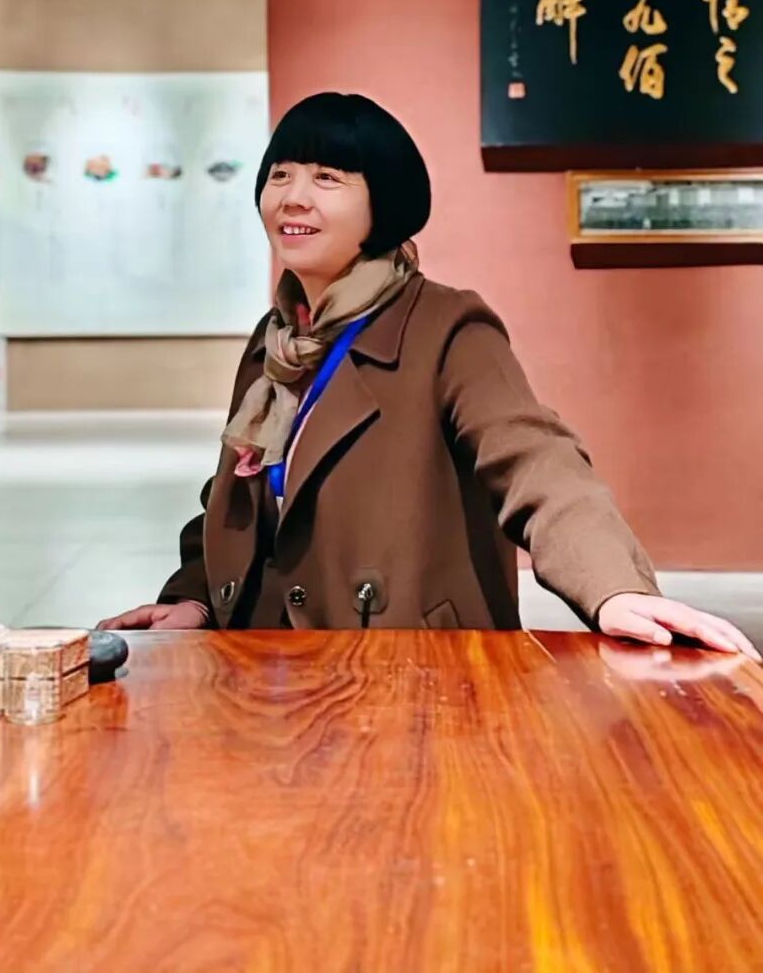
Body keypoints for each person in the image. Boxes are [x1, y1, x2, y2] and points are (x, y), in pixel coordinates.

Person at [100, 92, 760, 660]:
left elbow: (536, 461)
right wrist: (194, 597)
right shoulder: (274, 342)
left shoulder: (445, 327)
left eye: (327, 177)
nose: (293, 197)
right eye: (280, 174)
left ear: (382, 202)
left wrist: (614, 588)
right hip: (265, 669)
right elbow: (235, 500)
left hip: (413, 675)